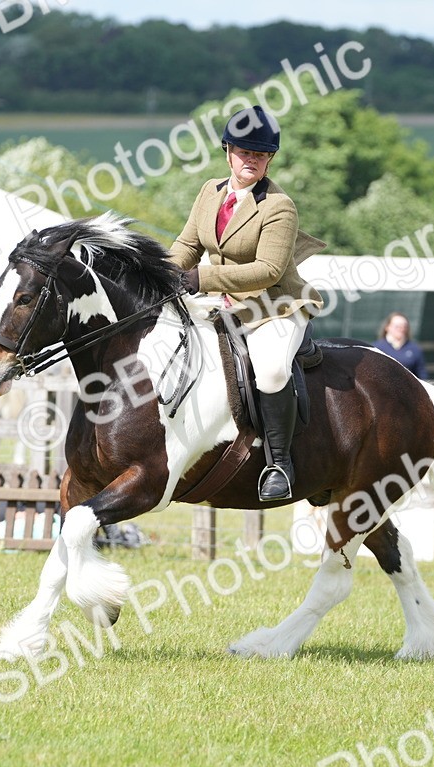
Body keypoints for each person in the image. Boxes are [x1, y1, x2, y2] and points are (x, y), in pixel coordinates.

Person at [169, 105, 325, 502]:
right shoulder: (209, 192)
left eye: (259, 154)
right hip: (221, 302)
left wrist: (201, 278)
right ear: (228, 152)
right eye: (244, 152)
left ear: (269, 158)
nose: (251, 160)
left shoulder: (279, 206)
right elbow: (188, 244)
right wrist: (163, 275)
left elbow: (268, 270)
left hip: (275, 305)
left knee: (271, 372)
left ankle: (279, 463)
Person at [373, 312, 428, 380]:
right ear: (387, 327)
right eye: (397, 326)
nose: (401, 329)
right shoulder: (376, 348)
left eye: (404, 326)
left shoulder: (415, 349)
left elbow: (422, 374)